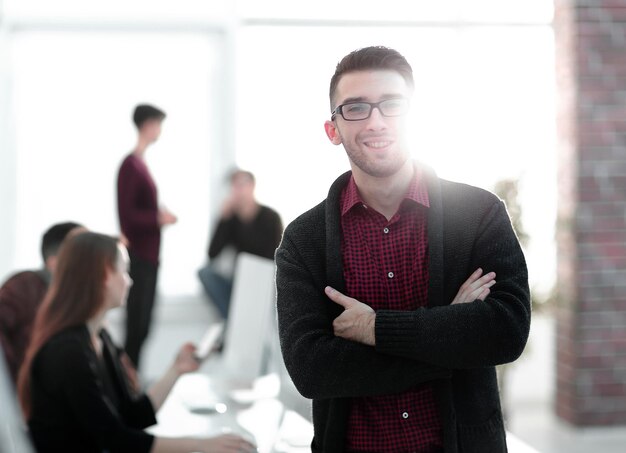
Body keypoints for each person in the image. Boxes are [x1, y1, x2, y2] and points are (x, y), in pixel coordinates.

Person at [275, 46, 531, 452]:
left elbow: (506, 331)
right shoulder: (303, 241)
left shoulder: (479, 213)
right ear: (333, 129)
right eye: (356, 108)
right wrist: (450, 333)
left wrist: (375, 329)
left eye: (391, 105)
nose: (376, 121)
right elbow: (312, 371)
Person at [17, 232, 256, 453]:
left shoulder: (100, 338)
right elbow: (117, 439)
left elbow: (132, 416)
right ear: (104, 275)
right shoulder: (67, 351)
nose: (130, 281)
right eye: (125, 270)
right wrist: (201, 444)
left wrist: (176, 370)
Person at [117, 104, 177, 368]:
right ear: (148, 124)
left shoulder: (140, 163)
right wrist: (158, 219)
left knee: (143, 325)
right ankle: (129, 386)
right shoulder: (131, 165)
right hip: (140, 257)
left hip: (148, 256)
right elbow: (127, 215)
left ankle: (132, 382)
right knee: (137, 325)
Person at [0, 221, 83, 384]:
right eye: (82, 256)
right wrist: (18, 380)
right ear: (53, 263)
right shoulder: (24, 286)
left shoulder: (78, 301)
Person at [198, 169, 283, 320]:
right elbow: (212, 253)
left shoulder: (270, 217)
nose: (238, 190)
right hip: (239, 281)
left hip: (262, 281)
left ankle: (238, 319)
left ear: (252, 186)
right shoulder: (231, 220)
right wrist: (223, 220)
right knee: (205, 273)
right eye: (234, 186)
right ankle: (233, 320)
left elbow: (277, 255)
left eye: (242, 185)